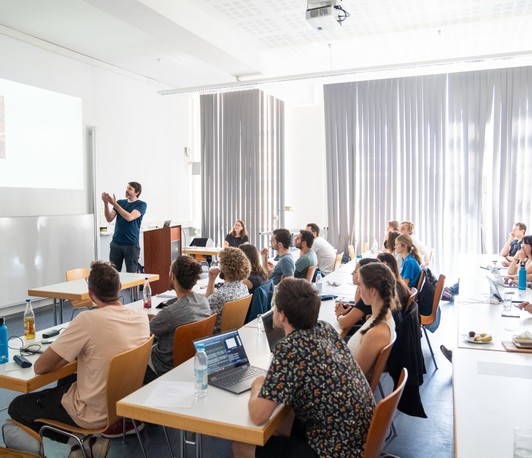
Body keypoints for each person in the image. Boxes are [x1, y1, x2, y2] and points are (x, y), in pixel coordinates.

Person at [6, 261, 150, 457]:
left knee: (18, 407)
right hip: (122, 403)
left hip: (93, 413)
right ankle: (84, 445)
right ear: (119, 287)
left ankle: (83, 442)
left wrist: (67, 352)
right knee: (66, 381)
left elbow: (41, 367)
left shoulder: (87, 320)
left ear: (90, 293)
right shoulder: (140, 315)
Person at [232, 278, 374, 458]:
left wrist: (257, 386)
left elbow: (257, 415)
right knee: (281, 422)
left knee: (241, 445)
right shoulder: (324, 328)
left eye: (275, 307)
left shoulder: (290, 348)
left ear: (282, 315)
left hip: (335, 450)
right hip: (357, 436)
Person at [144, 256, 212, 383]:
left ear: (173, 276)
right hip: (190, 360)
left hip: (164, 366)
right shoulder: (203, 301)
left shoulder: (170, 313)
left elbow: (144, 332)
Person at [347, 263, 397, 377]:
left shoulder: (376, 333)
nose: (359, 290)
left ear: (372, 291)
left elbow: (355, 376)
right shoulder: (383, 314)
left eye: (360, 285)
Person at [102, 181, 147, 273]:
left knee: (132, 275)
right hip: (116, 244)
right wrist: (106, 204)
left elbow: (130, 217)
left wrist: (114, 204)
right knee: (112, 274)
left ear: (137, 192)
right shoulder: (120, 202)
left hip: (131, 245)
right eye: (127, 188)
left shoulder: (141, 204)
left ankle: (134, 289)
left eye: (130, 189)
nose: (127, 190)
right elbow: (109, 218)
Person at [206, 247, 251, 333]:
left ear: (224, 267)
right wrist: (212, 280)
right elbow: (209, 301)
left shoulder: (221, 296)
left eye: (220, 263)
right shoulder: (243, 287)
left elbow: (205, 307)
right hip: (232, 333)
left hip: (212, 336)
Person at [335, 258, 380, 333]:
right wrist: (350, 310)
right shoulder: (374, 292)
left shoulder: (368, 297)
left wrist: (339, 313)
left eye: (355, 271)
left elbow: (344, 324)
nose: (352, 273)